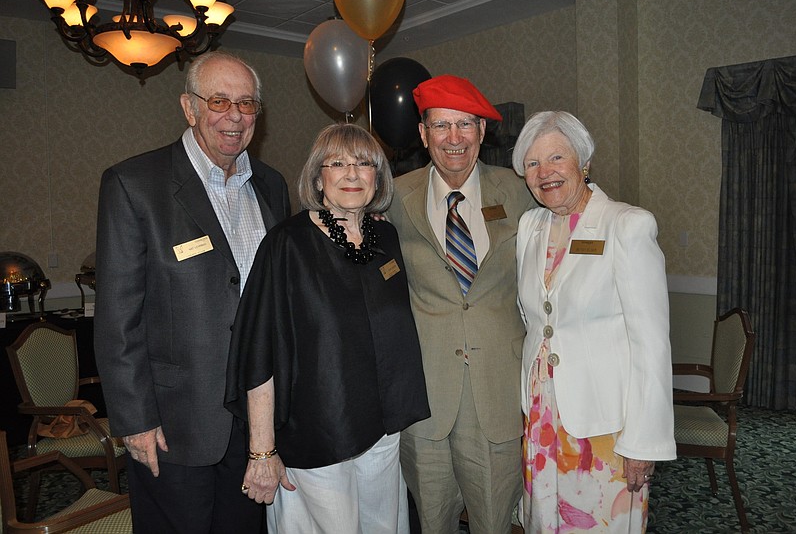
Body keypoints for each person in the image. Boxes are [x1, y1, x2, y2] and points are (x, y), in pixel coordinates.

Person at [94, 51, 290, 533]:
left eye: (247, 104)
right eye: (219, 101)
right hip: (173, 426)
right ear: (189, 107)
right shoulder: (134, 185)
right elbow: (118, 319)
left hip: (257, 424)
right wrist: (135, 420)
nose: (235, 116)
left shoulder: (272, 186)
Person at [225, 123, 431, 534]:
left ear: (378, 177)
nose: (352, 174)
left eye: (364, 164)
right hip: (317, 435)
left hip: (382, 433)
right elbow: (259, 353)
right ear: (318, 178)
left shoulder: (385, 237)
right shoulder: (287, 245)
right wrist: (262, 452)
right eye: (337, 163)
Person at [511, 111, 676, 533]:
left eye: (557, 158)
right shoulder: (530, 227)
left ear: (583, 162)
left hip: (606, 426)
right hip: (543, 418)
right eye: (532, 163)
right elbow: (534, 320)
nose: (545, 172)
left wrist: (643, 442)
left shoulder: (627, 225)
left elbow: (651, 344)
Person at [389, 75, 537, 534]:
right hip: (425, 395)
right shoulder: (393, 196)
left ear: (482, 131)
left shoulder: (520, 191)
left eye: (465, 125)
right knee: (433, 521)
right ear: (423, 134)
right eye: (441, 125)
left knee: (494, 522)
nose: (454, 138)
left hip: (497, 391)